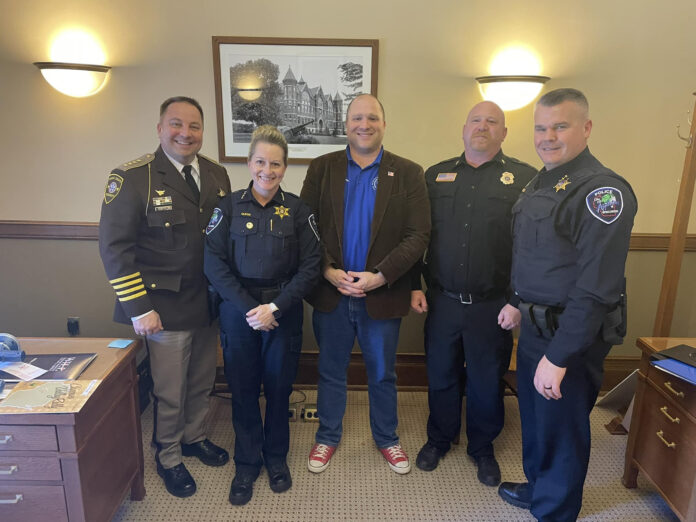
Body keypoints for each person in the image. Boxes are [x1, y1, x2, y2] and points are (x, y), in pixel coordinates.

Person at [497, 88, 637, 521]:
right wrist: (518, 302)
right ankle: (541, 489)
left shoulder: (602, 192)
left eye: (560, 126)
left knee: (563, 425)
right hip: (537, 324)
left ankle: (556, 510)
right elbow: (540, 256)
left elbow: (597, 288)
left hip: (571, 335)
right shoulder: (544, 179)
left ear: (586, 128)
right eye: (541, 127)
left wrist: (559, 356)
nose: (548, 136)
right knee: (539, 420)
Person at [99, 96, 231, 499]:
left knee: (201, 380)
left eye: (194, 126)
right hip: (162, 307)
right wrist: (139, 309)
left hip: (206, 302)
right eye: (176, 124)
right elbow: (114, 248)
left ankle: (192, 437)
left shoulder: (216, 174)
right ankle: (168, 455)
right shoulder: (133, 177)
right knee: (169, 389)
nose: (185, 134)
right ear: (160, 128)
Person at [300, 93, 431, 475]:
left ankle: (387, 438)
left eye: (372, 118)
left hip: (383, 293)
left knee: (382, 373)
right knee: (330, 370)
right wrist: (325, 269)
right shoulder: (322, 168)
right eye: (357, 118)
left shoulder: (408, 172)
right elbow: (306, 227)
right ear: (346, 124)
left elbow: (417, 234)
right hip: (333, 292)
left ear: (384, 124)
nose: (364, 124)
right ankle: (327, 436)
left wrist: (381, 276)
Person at [411, 101, 536, 485]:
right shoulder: (435, 176)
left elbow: (532, 246)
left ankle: (482, 447)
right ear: (464, 128)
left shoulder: (526, 178)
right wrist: (415, 284)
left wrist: (517, 301)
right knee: (442, 374)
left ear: (504, 133)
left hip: (493, 305)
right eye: (476, 121)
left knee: (486, 381)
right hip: (443, 300)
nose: (483, 127)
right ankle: (440, 439)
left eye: (492, 122)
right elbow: (418, 236)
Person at [204, 125, 320, 505]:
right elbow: (213, 263)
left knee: (279, 389)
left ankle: (276, 459)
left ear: (285, 167)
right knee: (243, 390)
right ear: (249, 162)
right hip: (239, 312)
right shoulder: (228, 207)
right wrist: (249, 308)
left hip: (282, 310)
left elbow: (311, 265)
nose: (266, 170)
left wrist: (274, 308)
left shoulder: (299, 210)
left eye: (275, 163)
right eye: (260, 161)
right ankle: (246, 463)